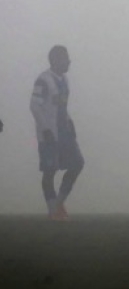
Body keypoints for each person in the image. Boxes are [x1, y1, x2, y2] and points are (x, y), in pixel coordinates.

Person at [30, 45, 84, 221]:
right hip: (49, 134)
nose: (69, 62)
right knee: (49, 171)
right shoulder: (43, 80)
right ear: (55, 60)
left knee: (77, 163)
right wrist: (45, 129)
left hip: (64, 132)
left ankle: (58, 204)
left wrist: (69, 121)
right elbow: (34, 106)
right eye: (65, 58)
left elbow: (61, 106)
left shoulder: (65, 80)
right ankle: (54, 210)